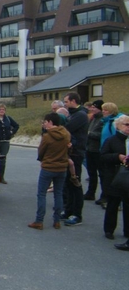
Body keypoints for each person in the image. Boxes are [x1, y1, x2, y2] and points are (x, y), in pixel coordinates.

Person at [28, 113, 71, 230]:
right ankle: (57, 220)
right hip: (62, 167)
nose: (44, 124)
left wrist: (42, 159)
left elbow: (41, 151)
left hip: (48, 167)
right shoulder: (66, 134)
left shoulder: (47, 136)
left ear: (51, 122)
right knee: (58, 193)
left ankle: (39, 220)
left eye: (45, 122)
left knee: (41, 194)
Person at [100, 115, 129, 242]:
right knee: (113, 204)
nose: (128, 127)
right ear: (118, 126)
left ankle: (127, 231)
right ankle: (109, 230)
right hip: (114, 176)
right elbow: (103, 156)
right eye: (126, 125)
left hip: (127, 177)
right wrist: (118, 157)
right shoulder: (111, 140)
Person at [62, 92, 89, 226]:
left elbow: (67, 129)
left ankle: (77, 214)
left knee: (75, 182)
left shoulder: (80, 115)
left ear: (73, 101)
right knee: (68, 183)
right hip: (70, 152)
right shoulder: (73, 114)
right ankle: (68, 210)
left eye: (66, 101)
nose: (65, 104)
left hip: (76, 153)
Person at [98, 102, 124, 206]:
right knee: (104, 176)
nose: (103, 111)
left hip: (111, 153)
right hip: (104, 150)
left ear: (111, 111)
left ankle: (111, 200)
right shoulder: (106, 121)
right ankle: (105, 197)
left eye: (106, 110)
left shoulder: (114, 122)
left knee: (110, 178)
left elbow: (115, 138)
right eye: (103, 109)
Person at [0, 103, 19, 184]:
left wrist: (12, 132)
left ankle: (1, 177)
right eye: (0, 109)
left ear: (5, 111)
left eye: (3, 110)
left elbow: (16, 125)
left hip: (5, 141)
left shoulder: (8, 119)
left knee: (3, 160)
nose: (1, 111)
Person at [84, 100, 104, 201]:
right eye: (91, 107)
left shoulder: (102, 119)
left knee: (101, 173)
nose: (92, 109)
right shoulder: (92, 118)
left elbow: (101, 135)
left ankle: (103, 196)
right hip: (89, 148)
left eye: (94, 107)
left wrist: (89, 134)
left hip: (97, 150)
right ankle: (90, 192)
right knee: (91, 173)